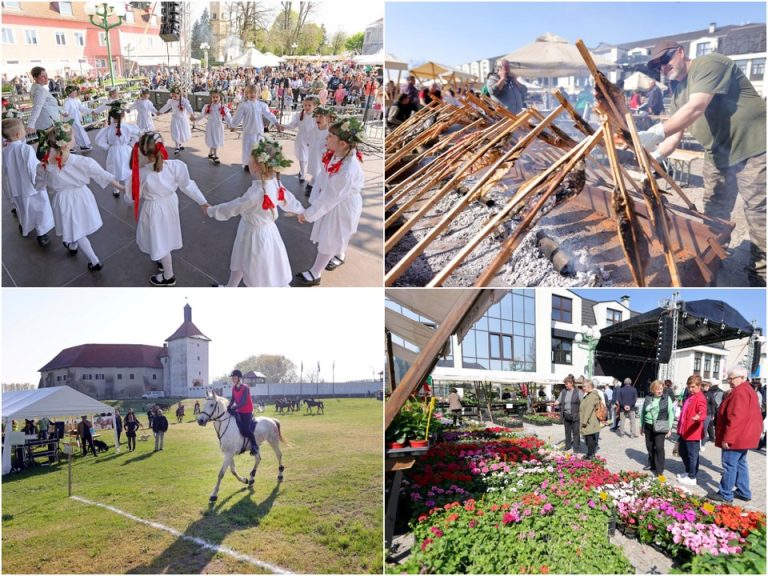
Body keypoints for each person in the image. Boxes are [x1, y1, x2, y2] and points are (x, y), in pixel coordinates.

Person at [639, 40, 766, 286]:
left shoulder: (710, 63)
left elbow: (696, 107)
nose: (663, 68)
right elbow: (674, 135)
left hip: (753, 149)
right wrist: (655, 156)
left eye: (665, 61)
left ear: (680, 52)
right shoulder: (677, 91)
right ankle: (714, 258)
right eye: (657, 67)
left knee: (759, 212)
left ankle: (761, 275)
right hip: (717, 155)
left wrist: (655, 131)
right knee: (714, 211)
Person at [206, 138, 304, 287]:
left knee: (258, 274)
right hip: (259, 231)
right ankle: (230, 287)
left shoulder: (255, 194)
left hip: (255, 238)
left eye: (250, 159)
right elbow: (288, 199)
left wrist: (211, 210)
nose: (248, 161)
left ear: (257, 166)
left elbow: (233, 207)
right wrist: (301, 211)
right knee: (240, 260)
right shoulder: (274, 182)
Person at [37, 121, 124, 271]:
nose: (75, 138)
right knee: (78, 227)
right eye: (73, 137)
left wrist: (42, 187)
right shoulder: (82, 161)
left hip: (63, 200)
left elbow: (38, 184)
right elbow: (103, 175)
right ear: (65, 144)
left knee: (74, 227)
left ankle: (92, 258)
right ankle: (85, 253)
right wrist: (121, 187)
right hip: (82, 197)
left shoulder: (44, 165)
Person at [130, 131, 209, 287]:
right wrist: (202, 201)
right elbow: (188, 185)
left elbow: (132, 196)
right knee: (165, 233)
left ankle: (168, 275)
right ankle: (162, 259)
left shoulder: (142, 174)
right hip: (170, 203)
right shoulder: (176, 166)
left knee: (160, 238)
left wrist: (126, 186)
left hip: (153, 208)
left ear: (143, 151)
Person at [295, 117, 365, 286]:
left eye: (330, 137)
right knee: (338, 234)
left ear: (342, 143)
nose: (326, 139)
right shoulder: (337, 154)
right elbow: (324, 179)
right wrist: (314, 199)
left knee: (331, 237)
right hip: (335, 202)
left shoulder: (347, 170)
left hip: (341, 206)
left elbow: (330, 198)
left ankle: (315, 273)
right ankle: (340, 255)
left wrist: (309, 214)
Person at [707, 367, 763, 502]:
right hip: (745, 435)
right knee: (741, 463)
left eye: (731, 378)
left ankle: (725, 494)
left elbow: (736, 417)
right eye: (729, 378)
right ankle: (744, 491)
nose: (729, 381)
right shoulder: (748, 390)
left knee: (729, 464)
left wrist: (728, 438)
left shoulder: (740, 392)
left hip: (737, 436)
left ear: (742, 378)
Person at [2, 117, 55, 247]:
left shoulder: (4, 152)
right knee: (40, 208)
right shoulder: (26, 149)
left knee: (23, 209)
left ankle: (24, 227)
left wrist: (7, 190)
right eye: (23, 129)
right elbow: (33, 168)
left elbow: (4, 173)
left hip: (16, 188)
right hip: (32, 187)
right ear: (18, 134)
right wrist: (41, 181)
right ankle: (41, 233)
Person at [229, 85, 283, 172]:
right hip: (248, 131)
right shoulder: (243, 105)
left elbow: (269, 114)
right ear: (246, 94)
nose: (252, 94)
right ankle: (247, 163)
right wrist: (233, 125)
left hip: (259, 130)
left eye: (254, 92)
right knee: (248, 147)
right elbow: (238, 116)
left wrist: (276, 123)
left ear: (258, 94)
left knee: (258, 147)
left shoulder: (262, 105)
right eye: (250, 93)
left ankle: (257, 162)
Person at [95, 101, 140, 199]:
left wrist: (108, 147)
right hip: (125, 150)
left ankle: (116, 190)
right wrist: (131, 143)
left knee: (114, 169)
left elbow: (99, 141)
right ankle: (129, 190)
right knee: (128, 169)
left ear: (111, 116)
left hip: (113, 151)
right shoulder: (128, 127)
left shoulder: (108, 129)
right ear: (123, 115)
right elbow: (138, 133)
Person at [638, 380, 674, 475]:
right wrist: (641, 426)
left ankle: (659, 470)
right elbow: (643, 412)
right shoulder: (648, 398)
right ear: (653, 390)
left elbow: (671, 414)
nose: (660, 391)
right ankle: (652, 464)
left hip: (661, 424)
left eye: (661, 389)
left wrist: (669, 428)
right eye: (657, 389)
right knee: (649, 446)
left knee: (659, 447)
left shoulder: (667, 398)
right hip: (648, 425)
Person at [285, 95, 319, 185]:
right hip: (301, 138)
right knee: (302, 157)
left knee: (309, 157)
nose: (307, 107)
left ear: (315, 106)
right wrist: (283, 127)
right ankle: (303, 174)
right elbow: (292, 125)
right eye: (305, 105)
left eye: (309, 105)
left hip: (312, 138)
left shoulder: (316, 116)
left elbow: (318, 128)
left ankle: (305, 172)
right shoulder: (299, 115)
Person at [306, 106, 335, 198]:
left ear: (328, 119)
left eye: (321, 117)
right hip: (313, 154)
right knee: (315, 169)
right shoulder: (313, 130)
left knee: (321, 171)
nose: (318, 119)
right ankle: (312, 184)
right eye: (317, 116)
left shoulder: (329, 133)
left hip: (323, 156)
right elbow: (308, 141)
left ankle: (313, 186)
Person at [196, 89, 231, 165]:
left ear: (220, 98)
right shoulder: (208, 106)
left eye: (217, 97)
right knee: (212, 138)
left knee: (216, 139)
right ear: (211, 98)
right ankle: (212, 154)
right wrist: (195, 119)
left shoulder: (223, 107)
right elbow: (202, 115)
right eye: (213, 97)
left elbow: (227, 117)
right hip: (210, 125)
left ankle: (214, 154)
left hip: (218, 125)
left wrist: (231, 124)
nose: (215, 99)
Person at [228, 369, 259, 455]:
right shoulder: (233, 388)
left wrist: (234, 407)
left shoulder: (245, 387)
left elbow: (244, 402)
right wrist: (229, 406)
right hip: (239, 410)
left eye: (234, 377)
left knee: (245, 429)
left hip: (247, 411)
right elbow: (233, 399)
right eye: (232, 378)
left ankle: (255, 446)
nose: (233, 379)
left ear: (239, 378)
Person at [157, 86, 194, 155]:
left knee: (181, 132)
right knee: (176, 132)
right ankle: (177, 146)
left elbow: (189, 107)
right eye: (172, 95)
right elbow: (166, 106)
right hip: (175, 119)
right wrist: (160, 111)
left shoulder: (184, 101)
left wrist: (191, 114)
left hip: (182, 119)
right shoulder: (171, 101)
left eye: (175, 95)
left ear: (179, 94)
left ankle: (179, 144)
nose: (174, 97)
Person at [26, 67, 63, 133]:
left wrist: (62, 111)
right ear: (35, 78)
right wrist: (31, 124)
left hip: (45, 122)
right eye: (43, 76)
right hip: (49, 123)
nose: (46, 78)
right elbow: (37, 107)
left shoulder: (36, 87)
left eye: (46, 75)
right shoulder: (40, 90)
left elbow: (47, 105)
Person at [554, 374, 582, 452]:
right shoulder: (564, 391)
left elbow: (583, 403)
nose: (565, 385)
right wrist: (555, 403)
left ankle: (576, 448)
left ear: (571, 383)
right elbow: (558, 400)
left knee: (576, 432)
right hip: (566, 415)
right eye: (565, 384)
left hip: (575, 415)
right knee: (567, 432)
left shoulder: (578, 392)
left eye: (566, 383)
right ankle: (568, 446)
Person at [62, 86, 93, 152]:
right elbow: (65, 111)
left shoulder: (76, 100)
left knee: (76, 133)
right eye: (73, 93)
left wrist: (91, 111)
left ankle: (74, 147)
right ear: (69, 93)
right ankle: (83, 146)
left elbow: (81, 108)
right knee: (76, 133)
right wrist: (65, 113)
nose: (75, 94)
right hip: (71, 121)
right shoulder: (67, 101)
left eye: (75, 92)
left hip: (76, 119)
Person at [578, 379, 602, 459]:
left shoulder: (591, 396)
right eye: (583, 386)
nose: (583, 388)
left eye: (584, 386)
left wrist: (584, 422)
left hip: (589, 421)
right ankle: (590, 453)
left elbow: (588, 410)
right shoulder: (589, 395)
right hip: (590, 420)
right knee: (589, 437)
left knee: (589, 438)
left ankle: (590, 455)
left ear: (590, 386)